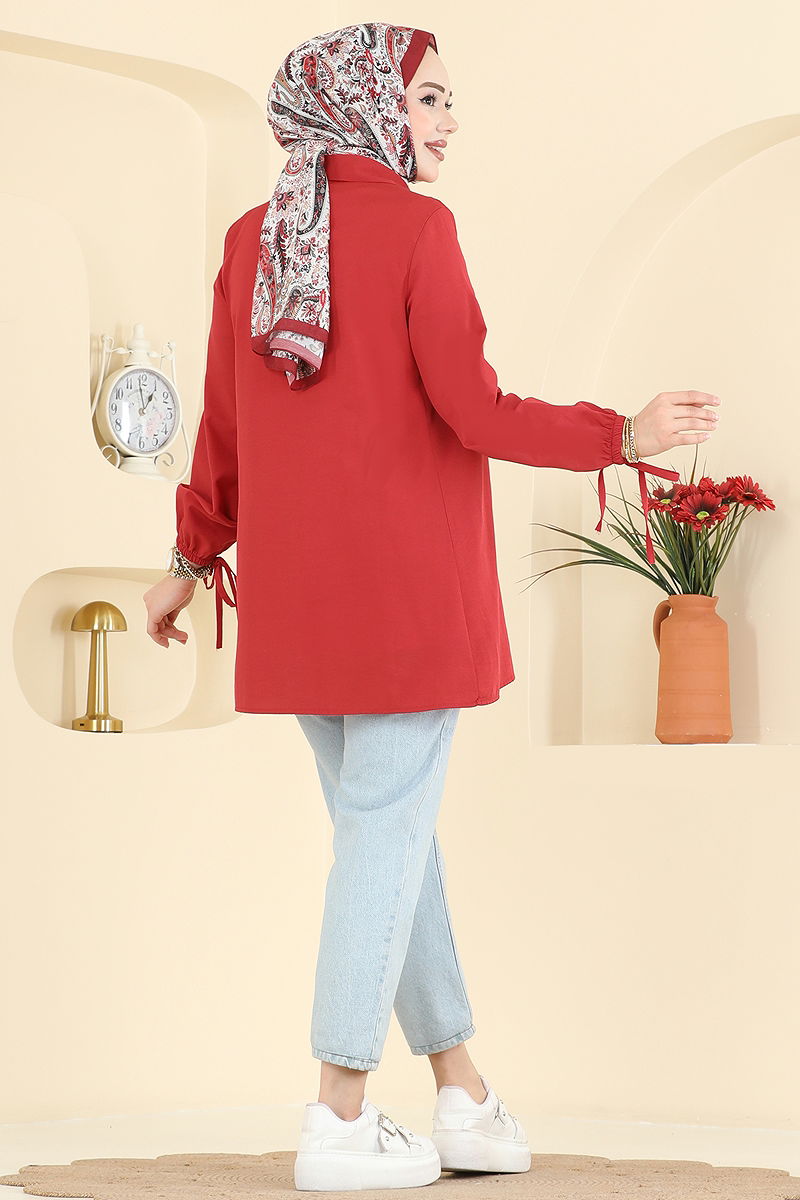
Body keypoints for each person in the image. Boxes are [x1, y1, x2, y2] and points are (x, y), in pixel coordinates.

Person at [143, 21, 722, 1192]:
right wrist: (619, 431)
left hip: (300, 611)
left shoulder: (254, 240)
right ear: (364, 104)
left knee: (388, 840)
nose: (448, 122)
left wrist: (190, 559)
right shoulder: (417, 229)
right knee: (384, 836)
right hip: (405, 606)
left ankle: (461, 1093)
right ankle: (339, 1115)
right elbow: (474, 407)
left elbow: (225, 428)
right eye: (428, 99)